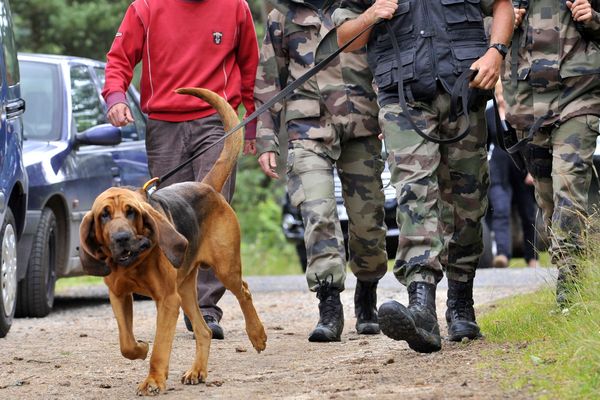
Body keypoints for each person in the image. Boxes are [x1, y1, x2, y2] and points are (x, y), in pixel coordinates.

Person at [334, 0, 513, 353]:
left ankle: (461, 301)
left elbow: (502, 5)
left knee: (468, 203)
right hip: (403, 99)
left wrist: (497, 52)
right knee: (415, 194)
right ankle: (421, 305)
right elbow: (344, 38)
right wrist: (371, 15)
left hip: (465, 91)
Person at [102, 0, 260, 339]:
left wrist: (252, 125)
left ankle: (205, 308)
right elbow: (119, 58)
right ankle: (172, 296)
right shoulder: (145, 7)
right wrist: (115, 97)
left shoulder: (235, 7)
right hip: (164, 124)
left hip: (216, 121)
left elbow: (250, 67)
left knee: (209, 205)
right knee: (168, 217)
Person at [255, 0, 388, 342]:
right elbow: (269, 82)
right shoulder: (283, 16)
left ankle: (367, 291)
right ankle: (329, 304)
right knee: (317, 211)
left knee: (368, 220)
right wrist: (266, 140)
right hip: (307, 127)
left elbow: (387, 59)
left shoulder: (367, 7)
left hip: (362, 122)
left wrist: (390, 111)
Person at [501, 0, 600, 307]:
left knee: (569, 183)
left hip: (578, 96)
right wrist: (505, 23)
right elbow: (483, 34)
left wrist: (594, 17)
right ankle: (574, 268)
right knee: (548, 198)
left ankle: (570, 281)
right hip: (529, 104)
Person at [487, 82, 538, 269]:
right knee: (500, 210)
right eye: (497, 93)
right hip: (498, 169)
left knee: (528, 213)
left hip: (521, 167)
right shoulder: (489, 113)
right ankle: (502, 254)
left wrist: (532, 169)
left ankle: (531, 257)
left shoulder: (519, 110)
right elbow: (485, 144)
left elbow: (529, 138)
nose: (500, 97)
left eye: (503, 93)